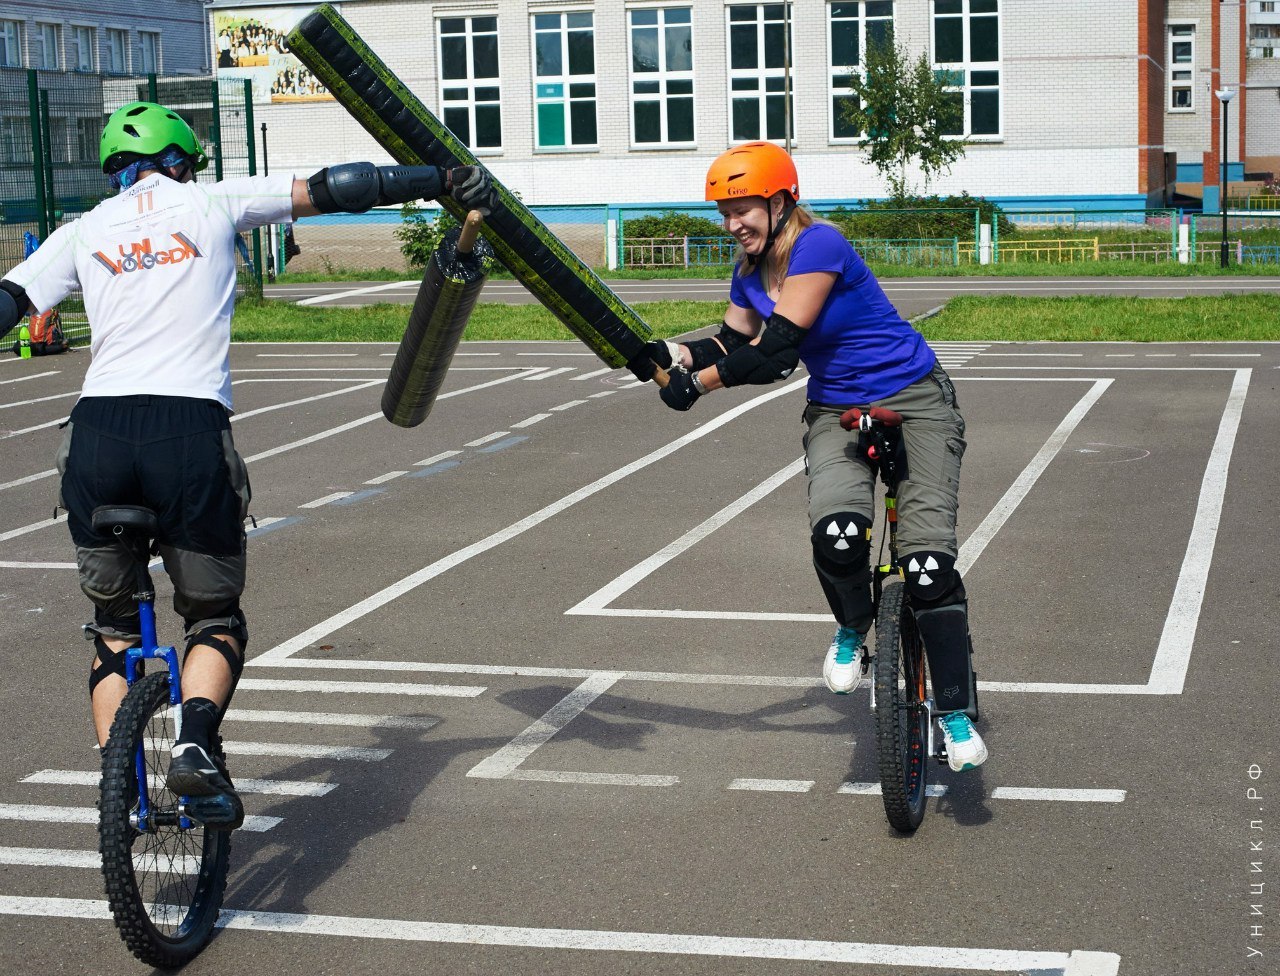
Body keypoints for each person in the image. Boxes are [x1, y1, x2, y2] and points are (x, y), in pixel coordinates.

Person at [0, 101, 498, 825]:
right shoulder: (210, 201)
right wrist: (439, 179)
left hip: (98, 434)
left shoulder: (81, 233)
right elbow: (337, 187)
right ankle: (195, 743)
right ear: (180, 160)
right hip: (187, 431)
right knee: (214, 617)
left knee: (113, 628)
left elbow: (9, 302)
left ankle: (120, 792)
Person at [627, 142, 987, 772]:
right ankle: (853, 627)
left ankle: (953, 714)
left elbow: (777, 350)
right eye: (725, 212)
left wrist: (699, 387)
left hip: (915, 396)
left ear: (781, 201)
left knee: (926, 566)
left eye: (744, 210)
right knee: (840, 534)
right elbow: (733, 339)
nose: (734, 224)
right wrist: (670, 355)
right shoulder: (748, 271)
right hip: (835, 408)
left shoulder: (819, 245)